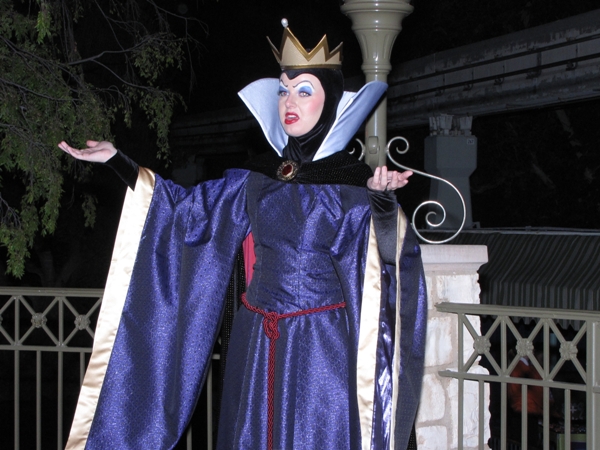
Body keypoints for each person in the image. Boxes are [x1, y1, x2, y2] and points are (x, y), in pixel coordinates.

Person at [59, 22, 427, 450]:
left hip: (319, 349)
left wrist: (382, 205)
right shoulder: (257, 178)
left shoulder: (350, 186)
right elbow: (185, 213)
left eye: (304, 91)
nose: (289, 101)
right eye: (284, 90)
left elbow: (386, 265)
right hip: (255, 341)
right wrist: (120, 162)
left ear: (329, 102)